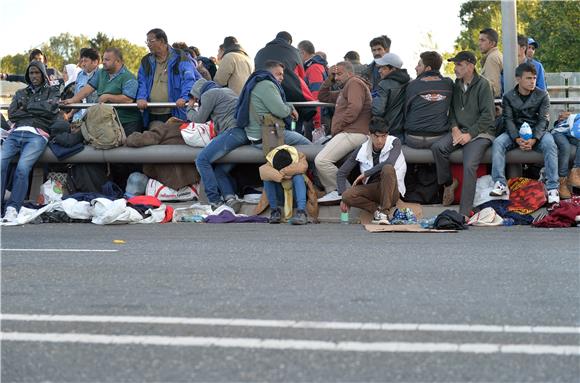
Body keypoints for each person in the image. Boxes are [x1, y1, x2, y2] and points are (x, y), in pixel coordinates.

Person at [431, 51, 495, 216]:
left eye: (459, 64)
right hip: (460, 131)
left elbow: (488, 116)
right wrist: (454, 128)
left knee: (469, 165)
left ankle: (465, 212)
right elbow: (451, 111)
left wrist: (470, 135)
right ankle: (448, 184)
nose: (455, 68)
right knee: (438, 148)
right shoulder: (456, 84)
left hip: (481, 134)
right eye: (455, 64)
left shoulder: (484, 85)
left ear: (471, 66)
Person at [490, 62, 559, 203]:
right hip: (514, 132)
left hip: (537, 132)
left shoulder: (542, 95)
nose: (532, 81)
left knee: (550, 144)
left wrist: (534, 139)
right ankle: (500, 183)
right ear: (518, 79)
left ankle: (552, 188)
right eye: (528, 78)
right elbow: (508, 120)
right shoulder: (508, 96)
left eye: (534, 78)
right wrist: (516, 139)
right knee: (498, 143)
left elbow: (544, 120)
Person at [1, 61, 61, 222]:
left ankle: (13, 208)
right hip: (16, 133)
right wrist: (37, 108)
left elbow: (51, 110)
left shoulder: (52, 91)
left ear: (43, 74)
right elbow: (13, 114)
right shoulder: (20, 92)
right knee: (0, 163)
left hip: (37, 134)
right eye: (31, 73)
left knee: (22, 168)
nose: (34, 76)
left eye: (37, 73)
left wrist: (26, 107)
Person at [316, 61, 372, 203]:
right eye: (335, 74)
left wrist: (339, 126)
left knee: (322, 161)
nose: (337, 78)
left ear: (350, 73)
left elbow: (354, 108)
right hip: (350, 132)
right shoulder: (346, 88)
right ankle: (341, 191)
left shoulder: (354, 83)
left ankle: (341, 191)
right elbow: (322, 96)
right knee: (323, 160)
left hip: (353, 132)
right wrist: (329, 79)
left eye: (339, 74)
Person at [187, 78, 243, 211]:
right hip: (242, 133)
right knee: (219, 169)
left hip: (232, 133)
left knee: (202, 160)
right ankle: (230, 199)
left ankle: (214, 200)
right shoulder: (227, 91)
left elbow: (199, 119)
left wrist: (190, 106)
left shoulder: (208, 94)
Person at [338, 120, 406, 224]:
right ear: (370, 135)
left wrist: (366, 173)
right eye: (376, 136)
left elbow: (390, 162)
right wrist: (343, 197)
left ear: (387, 134)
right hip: (374, 189)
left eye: (383, 136)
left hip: (392, 190)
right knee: (347, 195)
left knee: (387, 168)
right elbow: (341, 173)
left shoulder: (395, 142)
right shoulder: (362, 148)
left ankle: (384, 213)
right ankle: (376, 211)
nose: (380, 140)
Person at [63, 47, 143, 136]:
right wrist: (72, 100)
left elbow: (128, 99)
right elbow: (87, 89)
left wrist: (108, 97)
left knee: (125, 149)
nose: (103, 62)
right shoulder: (101, 73)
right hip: (107, 121)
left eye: (107, 60)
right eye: (103, 59)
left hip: (127, 123)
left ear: (118, 61)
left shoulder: (129, 77)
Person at [235, 60, 312, 147]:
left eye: (282, 74)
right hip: (266, 136)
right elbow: (281, 111)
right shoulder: (267, 85)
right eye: (278, 74)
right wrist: (290, 109)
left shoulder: (258, 82)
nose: (282, 77)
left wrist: (289, 106)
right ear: (269, 73)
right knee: (307, 145)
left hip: (257, 135)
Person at [136, 28, 200, 130]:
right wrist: (141, 98)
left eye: (151, 41)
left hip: (175, 111)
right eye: (147, 41)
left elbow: (189, 80)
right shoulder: (146, 61)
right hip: (151, 112)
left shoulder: (180, 57)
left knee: (170, 141)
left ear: (162, 41)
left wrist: (184, 97)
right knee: (155, 139)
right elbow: (141, 82)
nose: (148, 44)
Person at [254, 32, 316, 129]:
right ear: (289, 42)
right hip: (290, 96)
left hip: (263, 95)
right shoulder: (294, 52)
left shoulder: (260, 52)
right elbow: (300, 75)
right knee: (294, 129)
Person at [404, 51, 454, 149]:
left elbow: (406, 112)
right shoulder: (448, 84)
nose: (416, 68)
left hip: (413, 138)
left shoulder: (412, 85)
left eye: (419, 65)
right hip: (438, 138)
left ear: (428, 68)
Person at [258, 145, 316, 225]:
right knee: (267, 178)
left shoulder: (299, 156)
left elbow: (302, 167)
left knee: (298, 177)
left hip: (296, 196)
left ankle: (301, 212)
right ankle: (275, 211)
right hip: (281, 197)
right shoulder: (272, 158)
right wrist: (284, 175)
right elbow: (262, 171)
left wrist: (282, 172)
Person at [371, 52, 410, 141]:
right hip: (404, 130)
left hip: (387, 130)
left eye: (383, 68)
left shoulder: (384, 84)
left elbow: (378, 110)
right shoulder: (409, 82)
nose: (379, 70)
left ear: (393, 69)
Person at [297, 40, 328, 129]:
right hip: (317, 114)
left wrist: (317, 122)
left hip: (315, 117)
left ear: (302, 52)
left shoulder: (313, 68)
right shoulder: (317, 66)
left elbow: (316, 94)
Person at [551, 111, 580, 199]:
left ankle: (575, 173)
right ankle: (562, 182)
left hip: (570, 134)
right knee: (565, 147)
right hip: (558, 132)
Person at [71, 48, 100, 122]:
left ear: (95, 62)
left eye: (86, 61)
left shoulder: (102, 75)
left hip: (95, 118)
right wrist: (70, 114)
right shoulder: (80, 75)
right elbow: (77, 97)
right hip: (78, 118)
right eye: (82, 61)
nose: (83, 64)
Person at [478, 28, 503, 98]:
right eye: (479, 40)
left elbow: (493, 89)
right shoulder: (496, 55)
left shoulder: (492, 58)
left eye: (482, 40)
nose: (479, 44)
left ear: (492, 43)